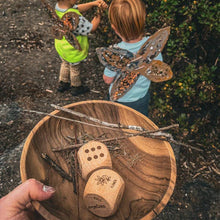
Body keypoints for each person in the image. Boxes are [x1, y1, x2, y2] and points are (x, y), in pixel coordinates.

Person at [103, 0, 163, 116]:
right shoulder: (152, 47)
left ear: (114, 28)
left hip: (119, 98)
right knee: (139, 123)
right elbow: (157, 68)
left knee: (117, 122)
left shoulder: (115, 53)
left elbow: (108, 79)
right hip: (141, 97)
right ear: (143, 19)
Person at [55, 0, 108, 95]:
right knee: (74, 69)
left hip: (62, 45)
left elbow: (77, 8)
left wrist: (92, 4)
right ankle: (76, 87)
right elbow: (91, 28)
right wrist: (99, 13)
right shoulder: (75, 19)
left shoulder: (58, 7)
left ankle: (63, 83)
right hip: (73, 49)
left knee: (65, 63)